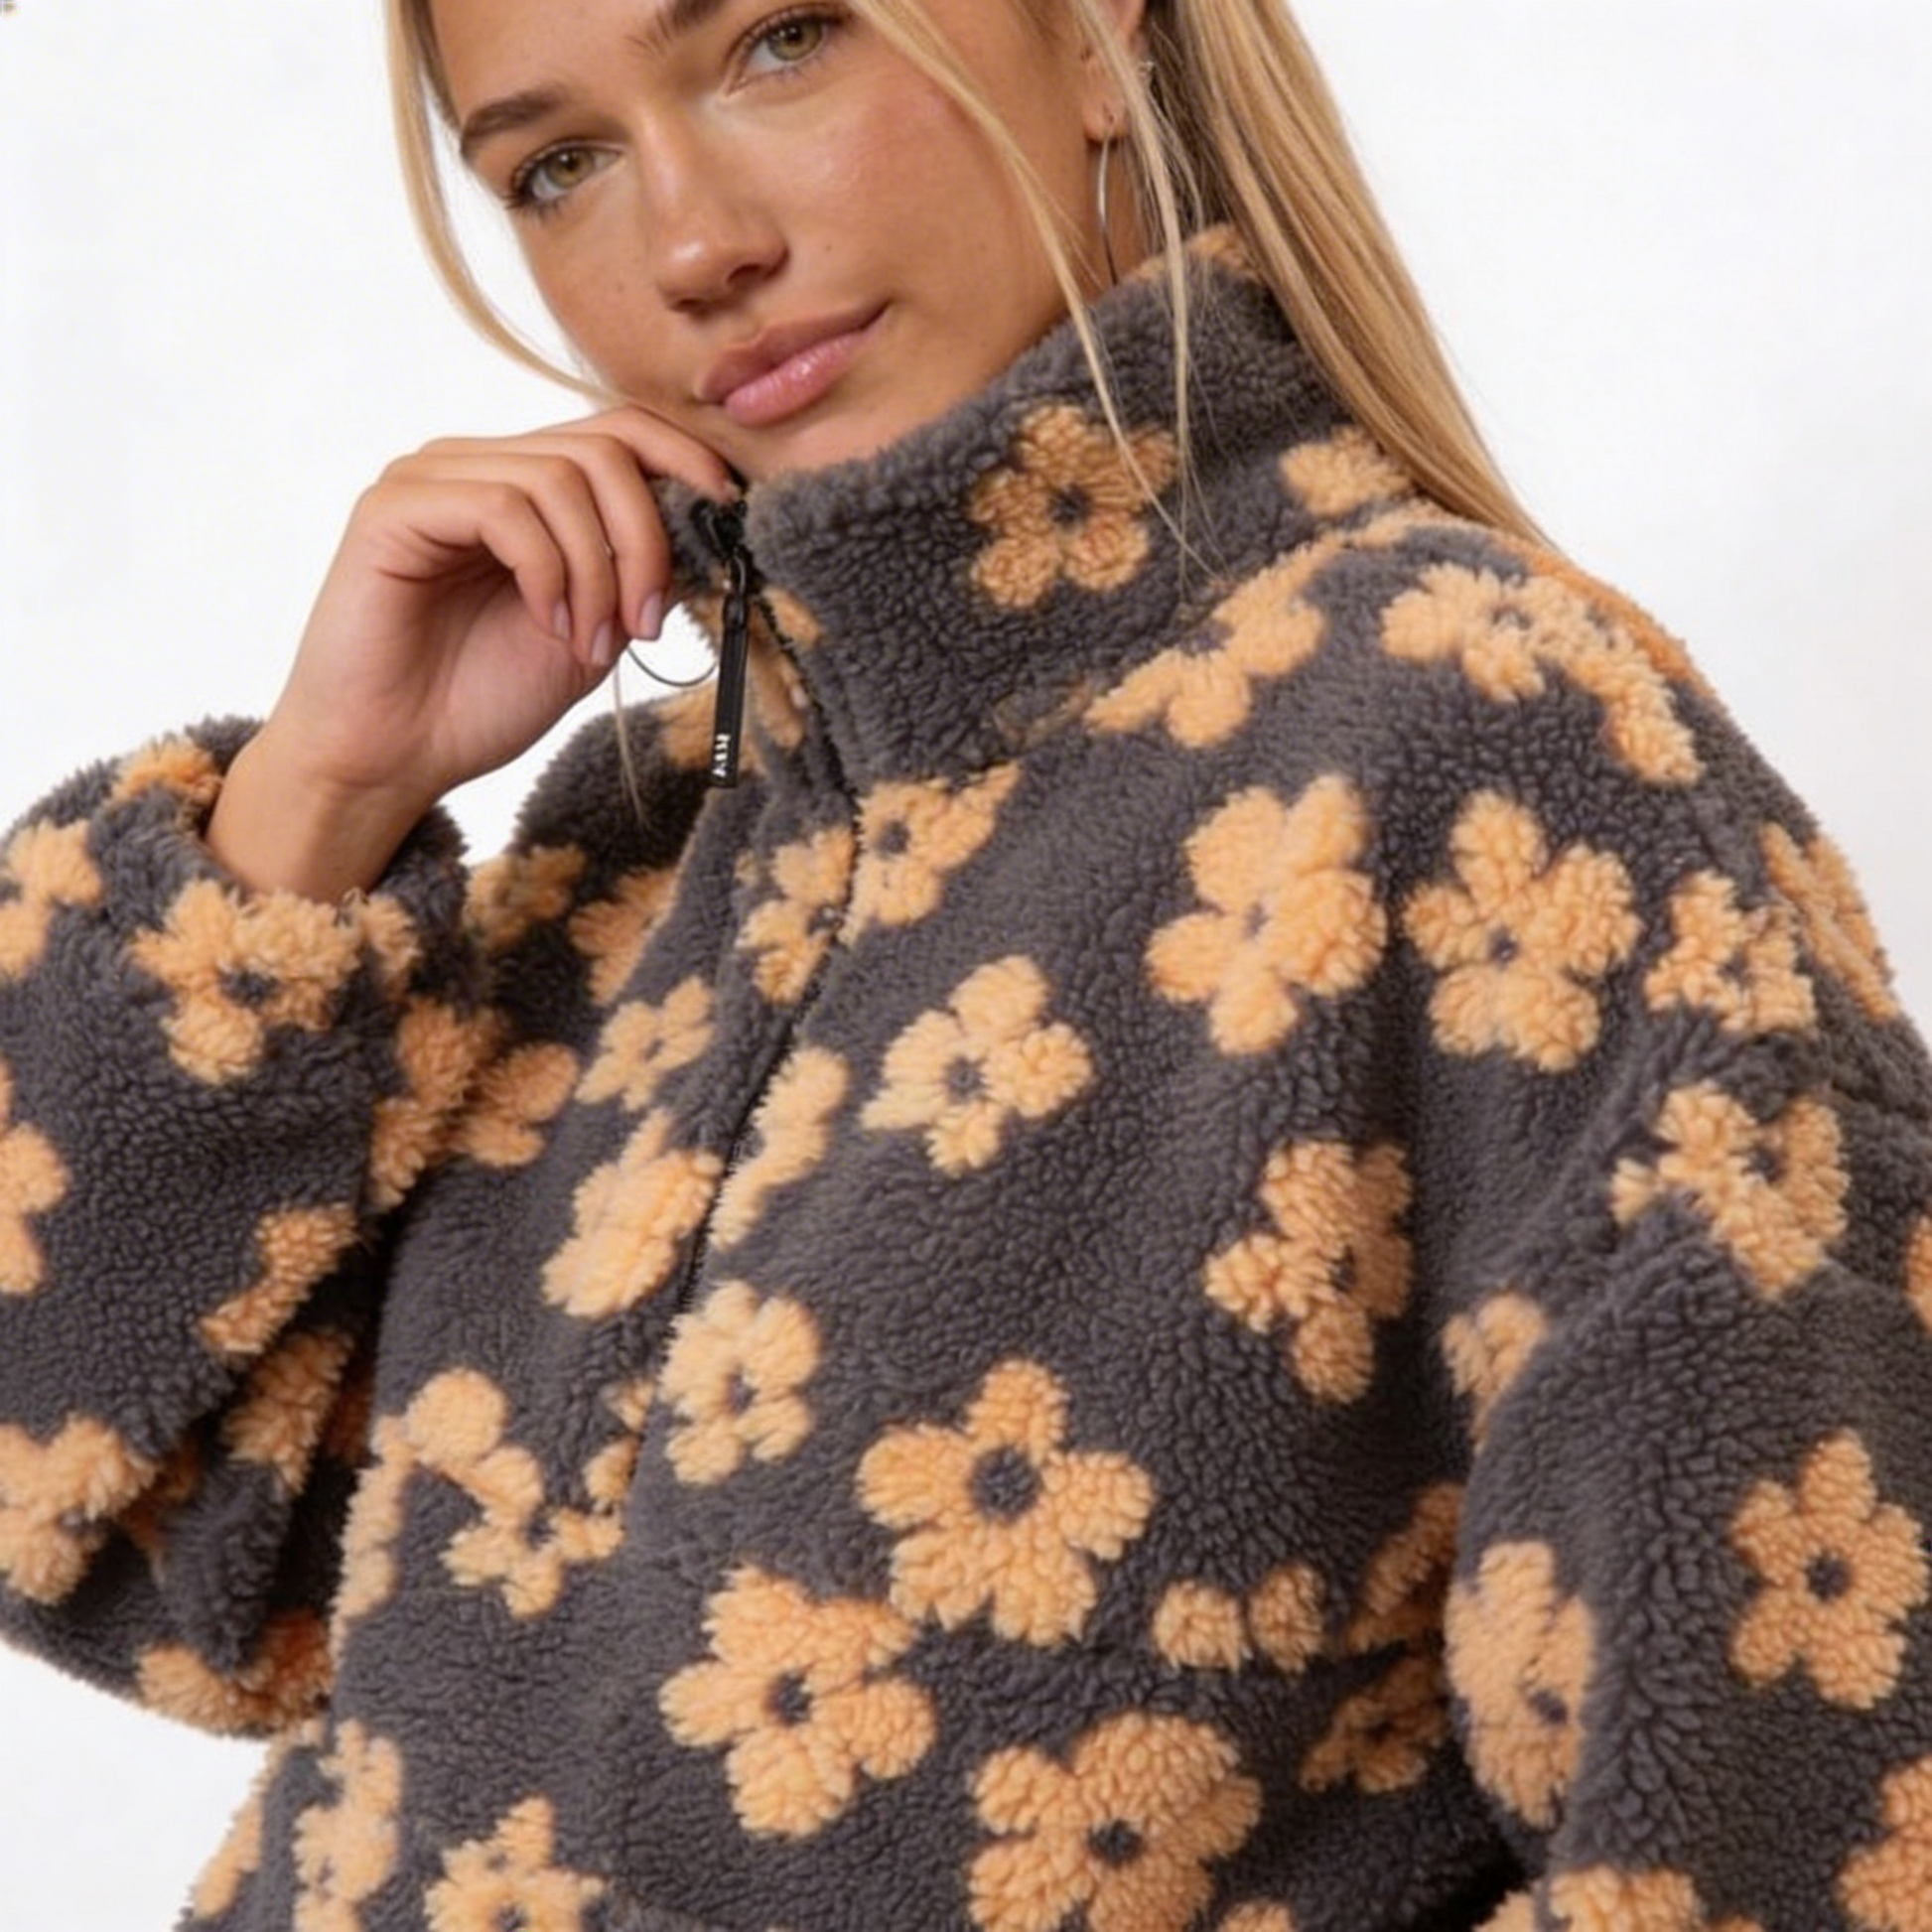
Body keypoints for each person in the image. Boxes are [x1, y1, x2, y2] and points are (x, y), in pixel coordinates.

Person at [3, 0, 1930, 1926]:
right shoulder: (646, 849)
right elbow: (93, 1515)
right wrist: (315, 797)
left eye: (782, 42)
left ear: (1096, 37)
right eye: (557, 165)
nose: (691, 246)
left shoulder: (1487, 758)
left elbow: (1810, 1828)